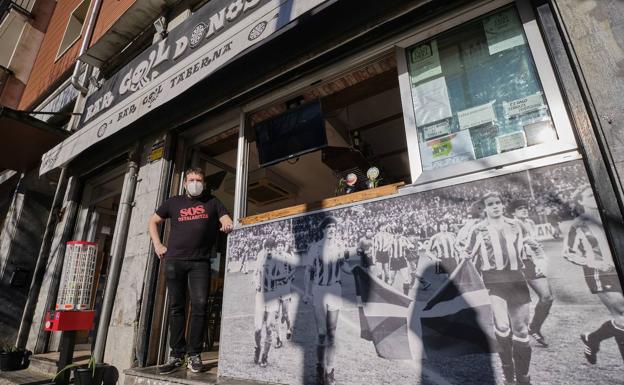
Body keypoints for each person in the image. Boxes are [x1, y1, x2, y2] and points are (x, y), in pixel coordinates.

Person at [148, 167, 233, 374]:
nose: (195, 183)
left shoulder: (212, 202)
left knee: (200, 306)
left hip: (200, 263)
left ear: (204, 183)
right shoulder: (173, 202)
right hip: (175, 260)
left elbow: (226, 219)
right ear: (185, 183)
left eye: (199, 180)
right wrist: (158, 245)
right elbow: (153, 221)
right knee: (176, 307)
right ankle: (176, 354)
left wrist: (227, 223)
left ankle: (194, 353)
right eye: (191, 179)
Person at [463, 192, 541, 385]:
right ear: (485, 208)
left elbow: (532, 247)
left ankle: (523, 376)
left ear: (502, 205)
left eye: (498, 203)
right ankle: (508, 374)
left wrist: (538, 259)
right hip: (492, 281)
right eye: (491, 204)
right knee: (503, 326)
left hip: (517, 280)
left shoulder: (517, 225)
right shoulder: (478, 229)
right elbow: (468, 254)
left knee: (521, 331)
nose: (496, 206)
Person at [563, 185, 624, 364]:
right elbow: (568, 252)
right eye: (590, 195)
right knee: (622, 316)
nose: (595, 197)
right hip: (600, 274)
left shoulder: (614, 216)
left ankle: (593, 338)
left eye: (595, 193)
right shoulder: (578, 225)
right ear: (581, 201)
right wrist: (593, 262)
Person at [303, 216, 353, 385]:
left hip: (334, 289)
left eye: (334, 227)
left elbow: (343, 266)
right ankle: (319, 365)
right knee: (322, 333)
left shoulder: (339, 246)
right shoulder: (315, 248)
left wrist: (353, 270)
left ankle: (330, 370)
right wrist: (306, 293)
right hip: (319, 290)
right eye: (329, 227)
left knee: (332, 332)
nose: (332, 229)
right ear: (323, 230)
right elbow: (307, 271)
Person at [508, 199, 554, 347]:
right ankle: (510, 332)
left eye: (525, 208)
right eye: (520, 208)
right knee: (517, 302)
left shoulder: (531, 223)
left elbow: (535, 245)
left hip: (530, 263)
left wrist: (540, 260)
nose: (524, 210)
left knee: (547, 297)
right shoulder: (508, 225)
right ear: (513, 212)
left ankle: (534, 328)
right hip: (513, 266)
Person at [253, 238, 283, 367]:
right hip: (260, 297)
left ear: (274, 249)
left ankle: (265, 356)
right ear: (264, 248)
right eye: (267, 248)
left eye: (271, 248)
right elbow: (254, 274)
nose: (269, 250)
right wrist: (256, 283)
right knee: (258, 329)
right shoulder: (260, 257)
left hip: (273, 297)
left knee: (269, 328)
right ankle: (257, 347)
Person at [273, 238, 295, 347]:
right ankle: (278, 339)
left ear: (283, 246)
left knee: (286, 314)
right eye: (278, 245)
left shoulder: (288, 257)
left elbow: (293, 270)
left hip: (285, 289)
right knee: (276, 315)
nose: (280, 247)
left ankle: (289, 329)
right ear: (276, 247)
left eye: (282, 245)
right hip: (276, 289)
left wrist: (288, 278)